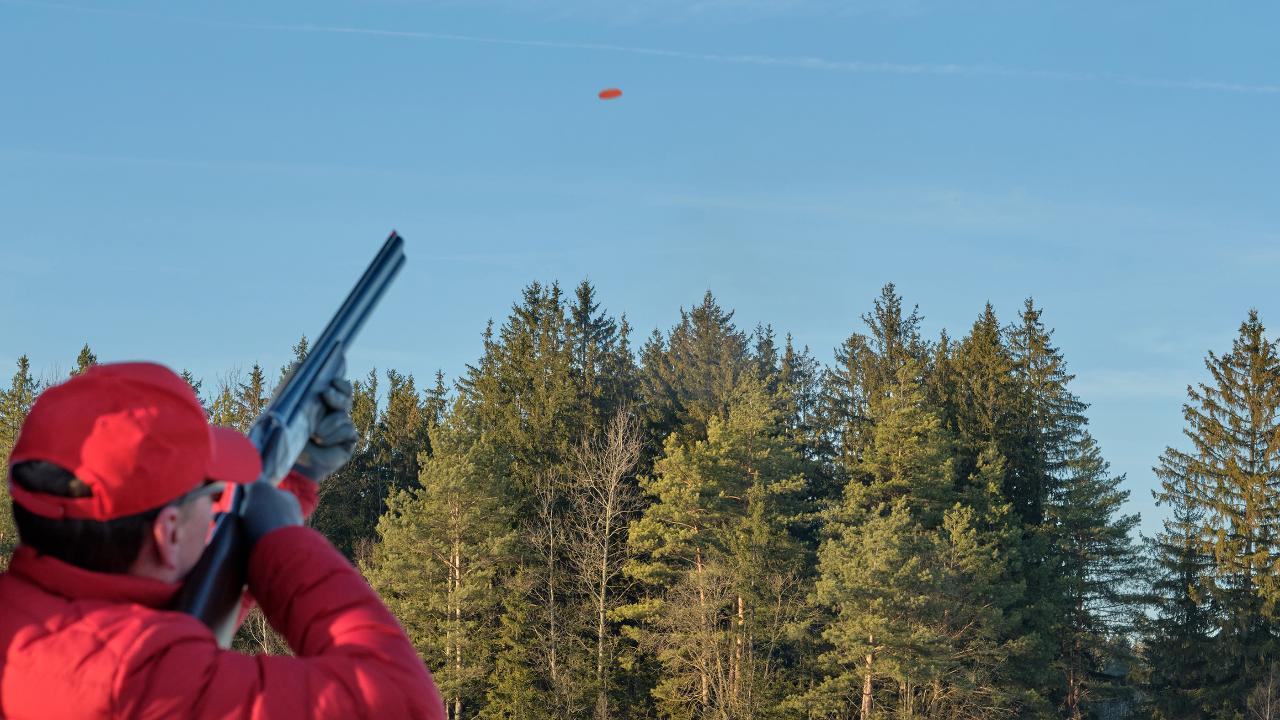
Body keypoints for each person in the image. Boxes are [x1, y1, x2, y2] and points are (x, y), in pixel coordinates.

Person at [0, 362, 445, 719]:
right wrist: (282, 541)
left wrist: (292, 481)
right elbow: (402, 702)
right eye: (213, 493)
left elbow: (178, 616)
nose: (219, 506)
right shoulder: (132, 681)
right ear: (168, 532)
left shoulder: (27, 622)